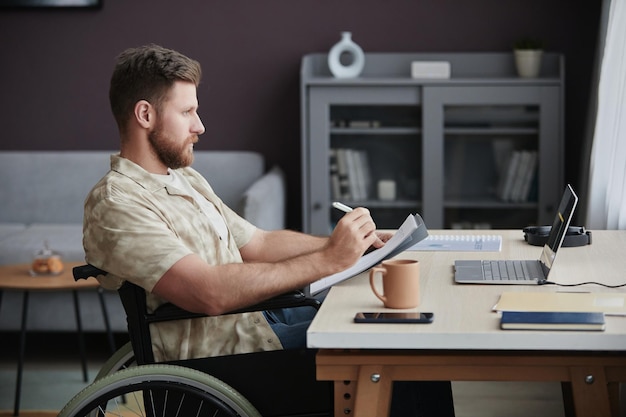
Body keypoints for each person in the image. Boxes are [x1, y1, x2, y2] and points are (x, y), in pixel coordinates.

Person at [84, 44, 454, 416]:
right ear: (145, 114)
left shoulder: (184, 179)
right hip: (224, 359)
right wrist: (328, 260)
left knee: (405, 334)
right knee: (402, 361)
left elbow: (258, 243)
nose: (200, 126)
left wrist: (349, 246)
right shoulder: (118, 203)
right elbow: (207, 293)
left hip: (262, 323)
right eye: (187, 112)